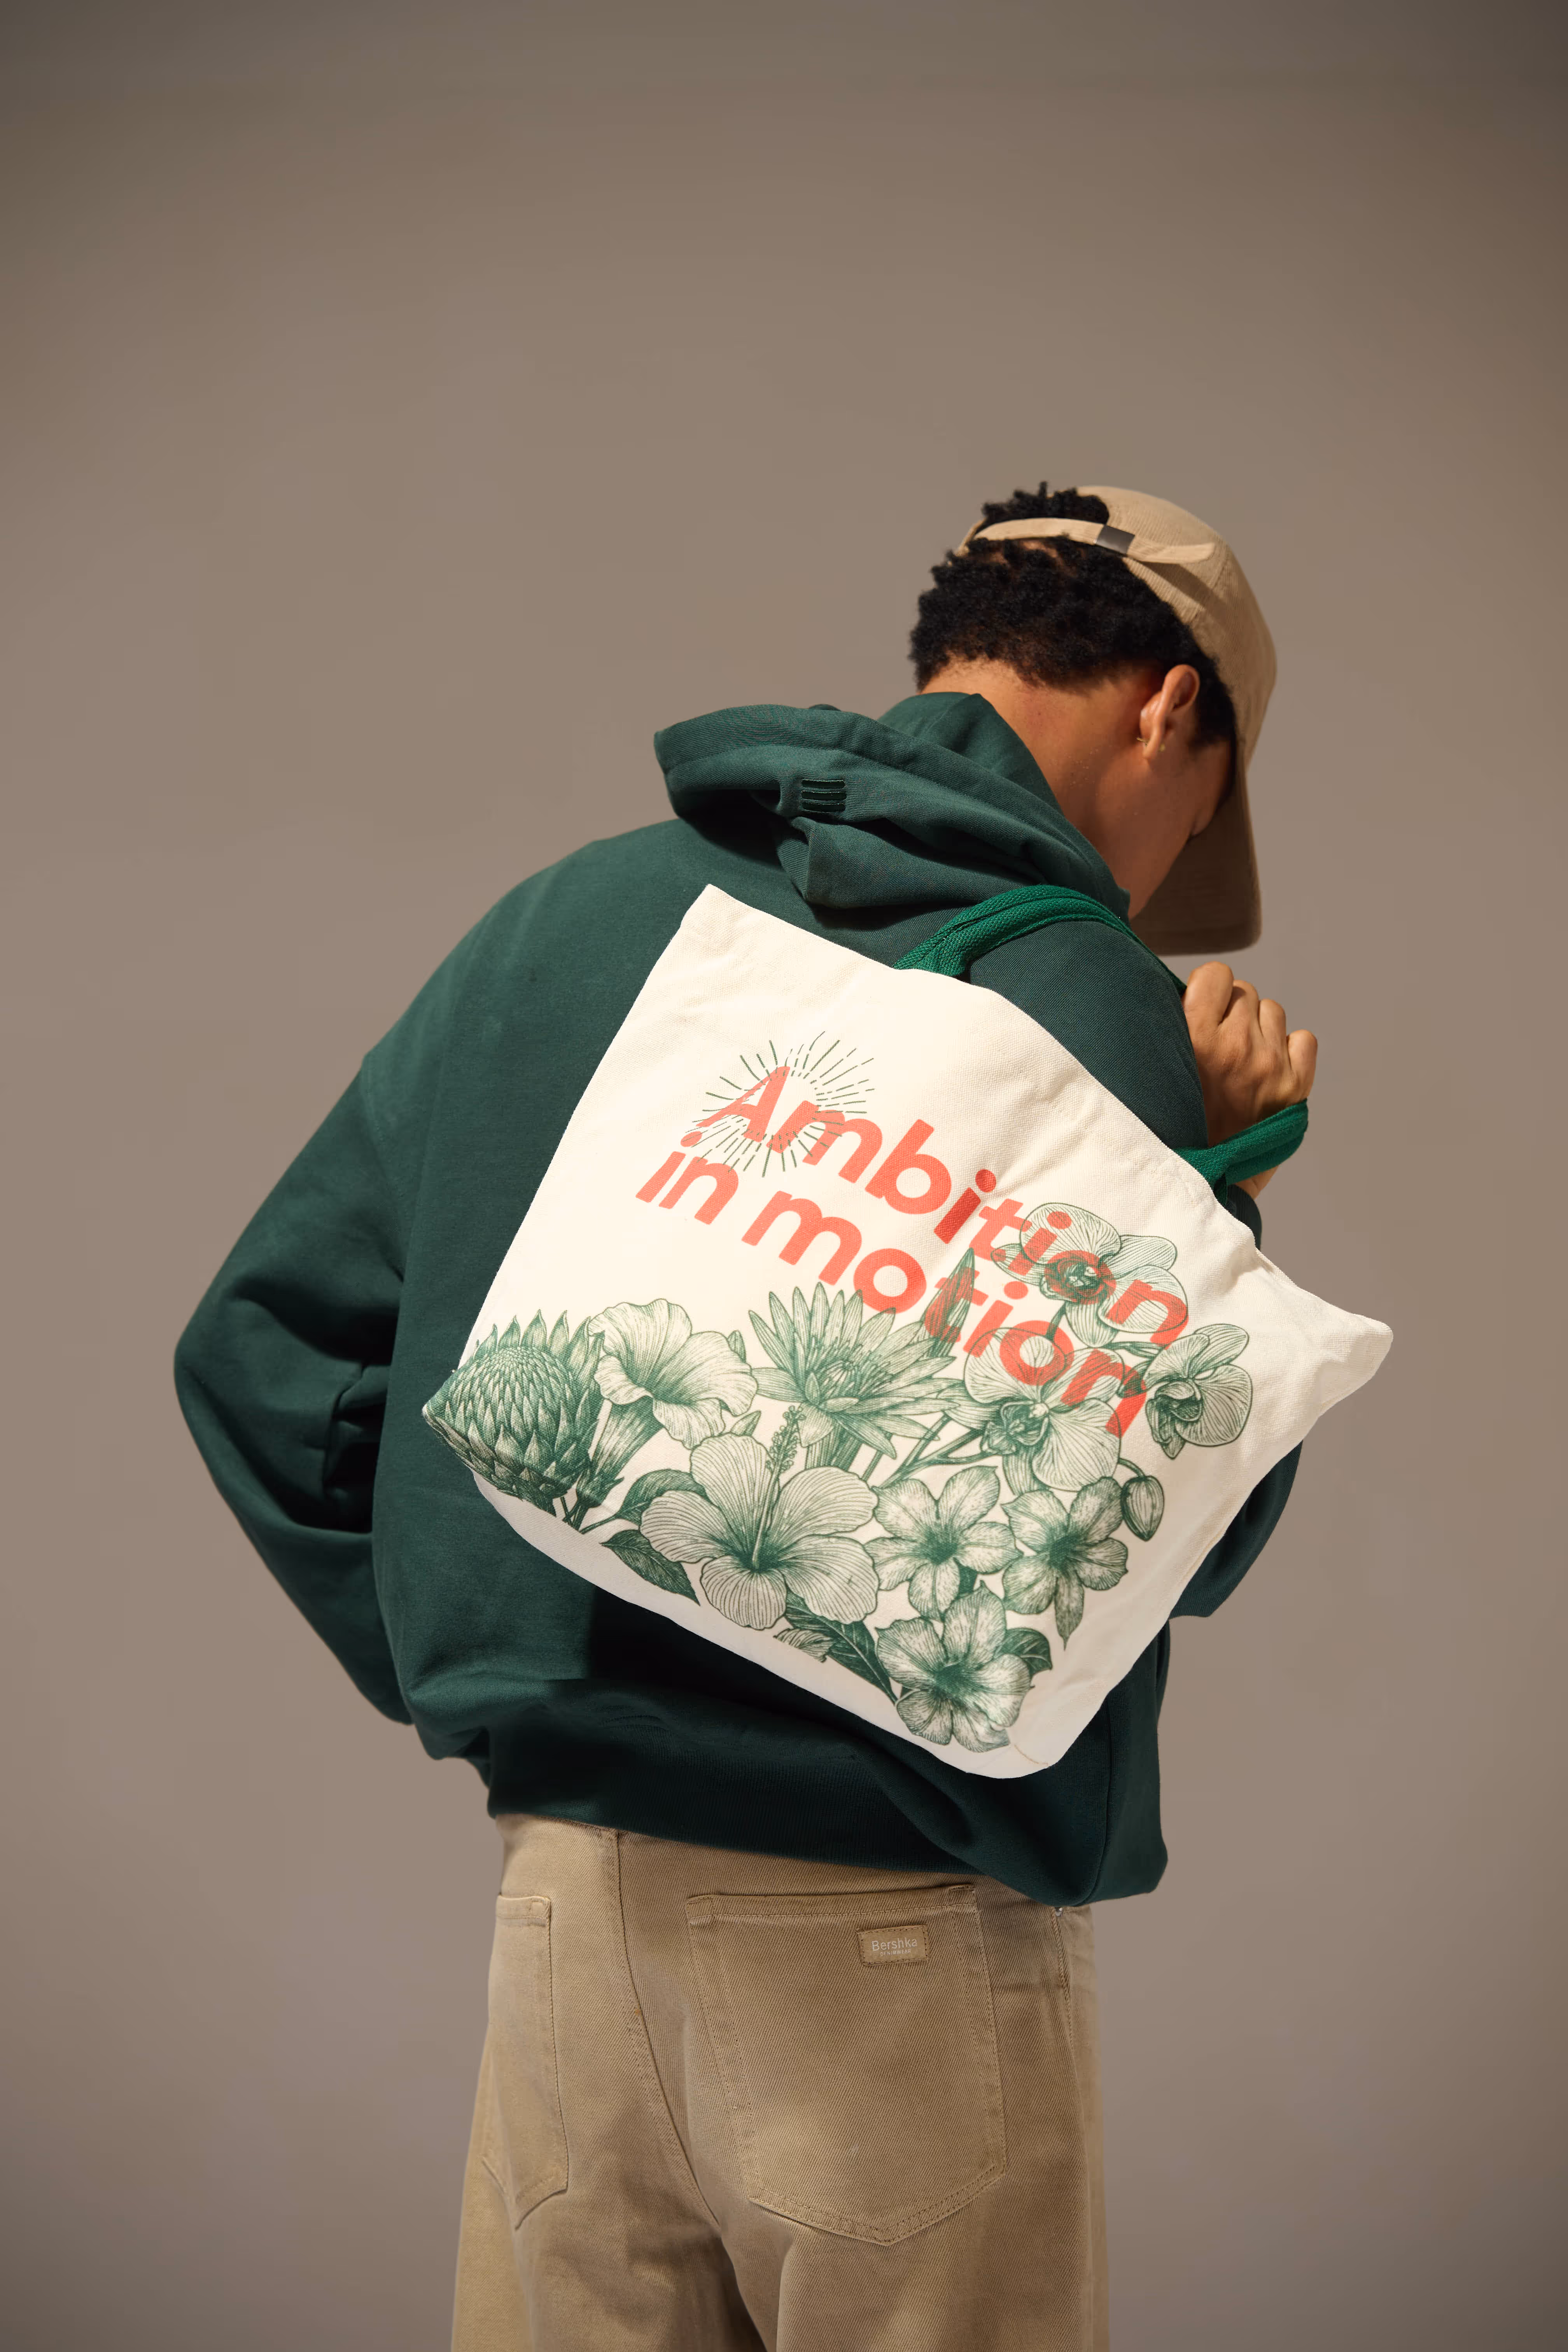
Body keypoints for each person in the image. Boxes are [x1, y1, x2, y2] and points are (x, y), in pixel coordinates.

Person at [175, 483, 1317, 2352]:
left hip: (566, 1924)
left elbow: (264, 1353)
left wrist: (506, 1630)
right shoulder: (1078, 985)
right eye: (1204, 811)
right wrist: (1228, 1176)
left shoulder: (566, 922)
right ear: (1170, 712)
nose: (1172, 857)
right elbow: (1181, 1524)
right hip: (895, 1948)